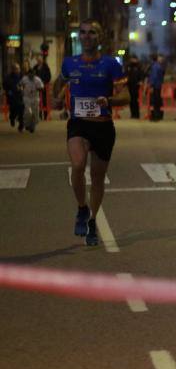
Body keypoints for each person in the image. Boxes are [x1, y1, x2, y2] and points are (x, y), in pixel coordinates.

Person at [52, 19, 129, 246]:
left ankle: (93, 221)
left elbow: (126, 96)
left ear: (100, 37)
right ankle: (81, 208)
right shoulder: (69, 63)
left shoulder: (111, 64)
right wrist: (56, 98)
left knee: (97, 178)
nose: (86, 36)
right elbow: (59, 83)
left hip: (103, 126)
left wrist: (111, 100)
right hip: (78, 124)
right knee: (77, 166)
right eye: (83, 33)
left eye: (92, 33)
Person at [19, 62, 44, 133]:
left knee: (35, 113)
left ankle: (32, 126)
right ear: (28, 74)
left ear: (34, 74)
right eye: (30, 75)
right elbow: (19, 85)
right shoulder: (24, 79)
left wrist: (38, 88)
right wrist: (20, 90)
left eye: (32, 74)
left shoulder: (37, 80)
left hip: (35, 98)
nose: (31, 76)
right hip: (26, 98)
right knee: (28, 112)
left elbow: (42, 88)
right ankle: (27, 124)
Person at [2, 63, 23, 130]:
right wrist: (8, 91)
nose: (18, 70)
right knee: (13, 110)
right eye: (17, 69)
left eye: (19, 68)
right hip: (12, 97)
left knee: (21, 110)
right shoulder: (8, 77)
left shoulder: (21, 76)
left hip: (20, 95)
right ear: (13, 70)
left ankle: (21, 124)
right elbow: (5, 85)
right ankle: (12, 118)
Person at [147, 54, 165, 121]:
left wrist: (151, 85)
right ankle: (159, 115)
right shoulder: (159, 66)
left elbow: (153, 77)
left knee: (155, 102)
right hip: (158, 85)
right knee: (158, 101)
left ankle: (155, 116)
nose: (162, 59)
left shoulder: (154, 66)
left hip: (155, 86)